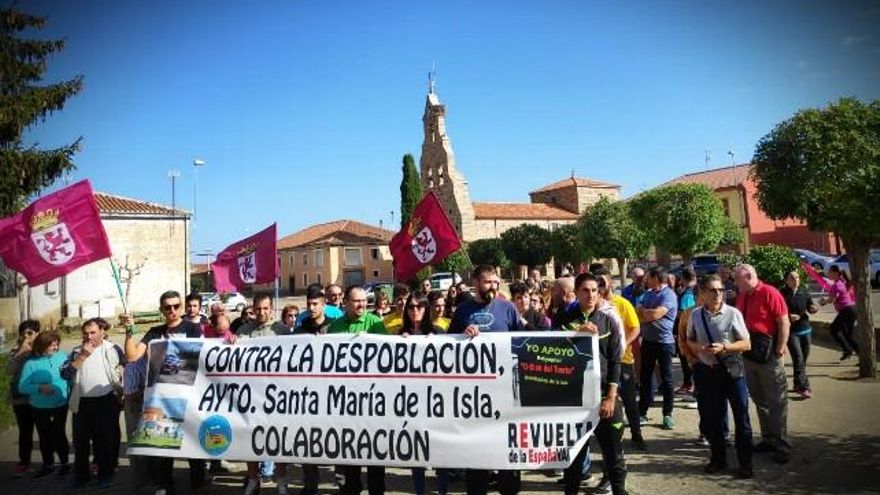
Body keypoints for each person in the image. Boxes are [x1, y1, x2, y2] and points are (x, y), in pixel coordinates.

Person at [449, 265, 523, 495]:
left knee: (507, 450)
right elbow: (448, 345)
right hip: (474, 396)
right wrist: (462, 335)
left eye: (495, 282)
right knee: (477, 453)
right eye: (488, 282)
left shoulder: (508, 308)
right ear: (476, 283)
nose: (493, 286)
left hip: (505, 393)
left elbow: (522, 341)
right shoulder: (462, 310)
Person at [123, 290, 203, 495]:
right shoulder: (154, 332)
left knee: (193, 443)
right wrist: (128, 331)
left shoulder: (194, 328)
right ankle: (165, 485)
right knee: (161, 446)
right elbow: (132, 356)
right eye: (168, 307)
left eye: (176, 306)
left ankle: (198, 483)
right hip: (161, 398)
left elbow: (205, 356)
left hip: (189, 395)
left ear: (182, 308)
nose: (173, 311)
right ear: (161, 310)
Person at [556, 273, 627, 495]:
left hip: (605, 397)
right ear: (576, 293)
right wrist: (577, 334)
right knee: (574, 456)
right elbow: (553, 353)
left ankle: (619, 490)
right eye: (585, 290)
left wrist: (611, 398)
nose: (591, 295)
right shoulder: (564, 320)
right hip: (575, 398)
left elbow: (616, 361)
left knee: (613, 453)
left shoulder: (608, 320)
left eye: (595, 290)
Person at [687, 275, 753, 478]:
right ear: (703, 293)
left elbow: (747, 344)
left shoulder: (733, 313)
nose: (718, 294)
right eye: (713, 291)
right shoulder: (695, 315)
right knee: (714, 419)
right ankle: (718, 460)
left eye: (721, 290)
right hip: (709, 373)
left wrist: (725, 347)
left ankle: (745, 464)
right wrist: (699, 349)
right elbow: (689, 339)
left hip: (733, 371)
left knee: (741, 417)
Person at [327, 285, 386, 495]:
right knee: (349, 456)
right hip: (346, 404)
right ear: (346, 303)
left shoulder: (376, 323)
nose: (361, 304)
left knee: (375, 457)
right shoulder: (335, 327)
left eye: (364, 301)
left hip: (372, 401)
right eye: (356, 301)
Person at [235, 293, 293, 495]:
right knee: (250, 439)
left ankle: (281, 480)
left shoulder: (283, 331)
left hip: (276, 397)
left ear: (272, 309)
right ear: (253, 308)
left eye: (265, 308)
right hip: (250, 396)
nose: (261, 312)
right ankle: (253, 480)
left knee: (278, 441)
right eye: (258, 309)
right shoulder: (243, 331)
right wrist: (230, 343)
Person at [735, 264, 791, 464]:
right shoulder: (743, 295)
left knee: (777, 401)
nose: (735, 283)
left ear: (748, 277)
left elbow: (783, 321)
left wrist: (779, 348)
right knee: (760, 401)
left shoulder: (769, 293)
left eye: (737, 279)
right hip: (750, 355)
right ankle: (768, 439)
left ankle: (782, 444)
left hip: (768, 355)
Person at [62, 318, 125, 488]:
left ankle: (105, 475)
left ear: (102, 332)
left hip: (106, 401)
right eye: (85, 333)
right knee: (80, 443)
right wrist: (83, 355)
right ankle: (82, 476)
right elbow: (65, 374)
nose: (88, 336)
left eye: (93, 332)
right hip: (82, 403)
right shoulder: (76, 351)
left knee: (104, 441)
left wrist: (122, 388)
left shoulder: (113, 349)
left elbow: (126, 367)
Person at [594, 269, 645, 451]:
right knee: (607, 402)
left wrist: (622, 345)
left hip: (624, 360)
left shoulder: (622, 304)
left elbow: (635, 328)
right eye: (596, 281)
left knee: (630, 401)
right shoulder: (593, 306)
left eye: (602, 281)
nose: (599, 285)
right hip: (603, 364)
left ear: (610, 282)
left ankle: (637, 435)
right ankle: (610, 441)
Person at [18, 330, 70, 478]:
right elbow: (22, 387)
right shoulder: (30, 364)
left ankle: (65, 463)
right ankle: (48, 464)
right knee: (45, 436)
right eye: (52, 345)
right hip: (40, 408)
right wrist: (39, 388)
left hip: (60, 405)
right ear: (41, 346)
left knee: (59, 434)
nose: (55, 348)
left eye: (56, 345)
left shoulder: (62, 357)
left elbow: (70, 378)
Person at [636, 266, 678, 430]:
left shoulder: (669, 295)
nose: (646, 280)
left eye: (649, 277)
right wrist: (645, 313)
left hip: (664, 343)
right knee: (645, 378)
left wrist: (644, 313)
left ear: (657, 278)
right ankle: (642, 412)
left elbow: (654, 315)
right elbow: (637, 311)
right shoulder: (648, 294)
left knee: (666, 379)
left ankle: (667, 414)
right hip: (647, 341)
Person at [8, 320, 40, 477]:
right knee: (25, 432)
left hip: (39, 399)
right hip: (21, 399)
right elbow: (10, 370)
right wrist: (21, 352)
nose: (26, 336)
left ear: (37, 334)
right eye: (23, 333)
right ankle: (24, 462)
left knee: (45, 431)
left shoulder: (41, 350)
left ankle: (48, 462)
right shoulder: (16, 351)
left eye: (30, 333)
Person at [781, 270, 818, 398]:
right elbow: (778, 311)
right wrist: (788, 316)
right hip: (792, 332)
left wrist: (814, 309)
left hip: (805, 329)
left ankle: (797, 383)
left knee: (802, 360)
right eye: (792, 277)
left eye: (797, 277)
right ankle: (804, 387)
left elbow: (810, 307)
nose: (795, 279)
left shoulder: (804, 292)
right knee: (798, 358)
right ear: (787, 281)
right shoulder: (782, 294)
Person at [822, 265, 859, 360]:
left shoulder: (837, 284)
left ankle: (850, 351)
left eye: (829, 272)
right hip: (851, 310)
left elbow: (832, 300)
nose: (828, 274)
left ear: (835, 273)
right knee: (848, 336)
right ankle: (853, 352)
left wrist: (823, 301)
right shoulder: (841, 282)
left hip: (846, 311)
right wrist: (826, 300)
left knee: (833, 329)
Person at [675, 268, 697, 395]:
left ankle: (692, 386)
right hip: (692, 329)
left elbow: (684, 313)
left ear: (684, 278)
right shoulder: (696, 289)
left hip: (688, 330)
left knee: (687, 358)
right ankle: (688, 384)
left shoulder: (689, 293)